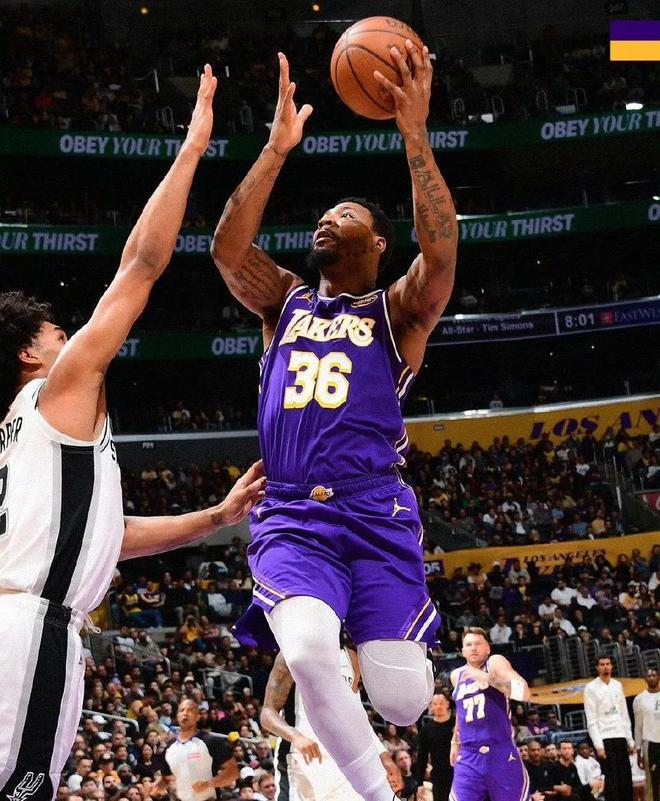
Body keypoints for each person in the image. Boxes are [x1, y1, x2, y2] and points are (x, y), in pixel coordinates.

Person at [0, 66, 266, 801]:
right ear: (29, 356)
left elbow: (107, 536)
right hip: (29, 634)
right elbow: (142, 265)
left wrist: (213, 517)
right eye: (57, 334)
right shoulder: (56, 393)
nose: (71, 340)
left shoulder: (20, 440)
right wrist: (193, 147)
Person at [212, 44, 456, 801]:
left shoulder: (396, 312)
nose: (327, 218)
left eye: (344, 215)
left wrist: (414, 133)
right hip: (292, 512)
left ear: (377, 243)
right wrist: (275, 151)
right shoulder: (282, 300)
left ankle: (388, 646)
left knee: (403, 702)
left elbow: (441, 251)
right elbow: (227, 249)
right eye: (323, 215)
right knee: (311, 652)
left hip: (375, 510)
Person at [260, 648, 402, 800]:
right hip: (302, 761)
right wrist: (295, 736)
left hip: (344, 764)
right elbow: (267, 714)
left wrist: (383, 755)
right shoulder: (291, 652)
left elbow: (356, 717)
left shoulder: (350, 657)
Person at [449, 628, 541, 801]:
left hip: (500, 752)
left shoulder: (494, 663)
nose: (473, 648)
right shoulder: (456, 675)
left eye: (478, 643)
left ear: (487, 648)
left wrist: (487, 678)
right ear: (463, 651)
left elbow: (524, 692)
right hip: (469, 755)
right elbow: (461, 713)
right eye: (468, 644)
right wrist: (455, 741)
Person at [154, 700, 238, 800]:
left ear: (197, 717)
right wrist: (153, 789)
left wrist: (209, 784)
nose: (185, 714)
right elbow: (166, 779)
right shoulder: (171, 747)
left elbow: (232, 772)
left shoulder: (212, 742)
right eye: (182, 711)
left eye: (190, 711)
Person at [584, 656, 635, 801]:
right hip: (605, 737)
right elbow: (591, 719)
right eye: (602, 664)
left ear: (612, 666)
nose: (605, 667)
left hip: (620, 735)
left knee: (625, 777)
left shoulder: (617, 685)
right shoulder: (591, 688)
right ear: (597, 667)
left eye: (608, 664)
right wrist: (598, 745)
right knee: (611, 779)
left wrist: (630, 740)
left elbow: (624, 715)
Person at [415, 694, 453, 801]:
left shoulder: (456, 725)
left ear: (447, 704)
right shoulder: (426, 730)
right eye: (435, 704)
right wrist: (419, 782)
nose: (438, 706)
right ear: (431, 706)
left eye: (441, 703)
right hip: (438, 776)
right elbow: (422, 757)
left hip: (458, 772)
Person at [632, 668, 660, 801]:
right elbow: (638, 727)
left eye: (654, 675)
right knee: (652, 781)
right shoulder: (639, 699)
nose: (651, 677)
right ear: (645, 679)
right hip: (650, 743)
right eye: (649, 676)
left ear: (658, 677)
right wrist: (638, 751)